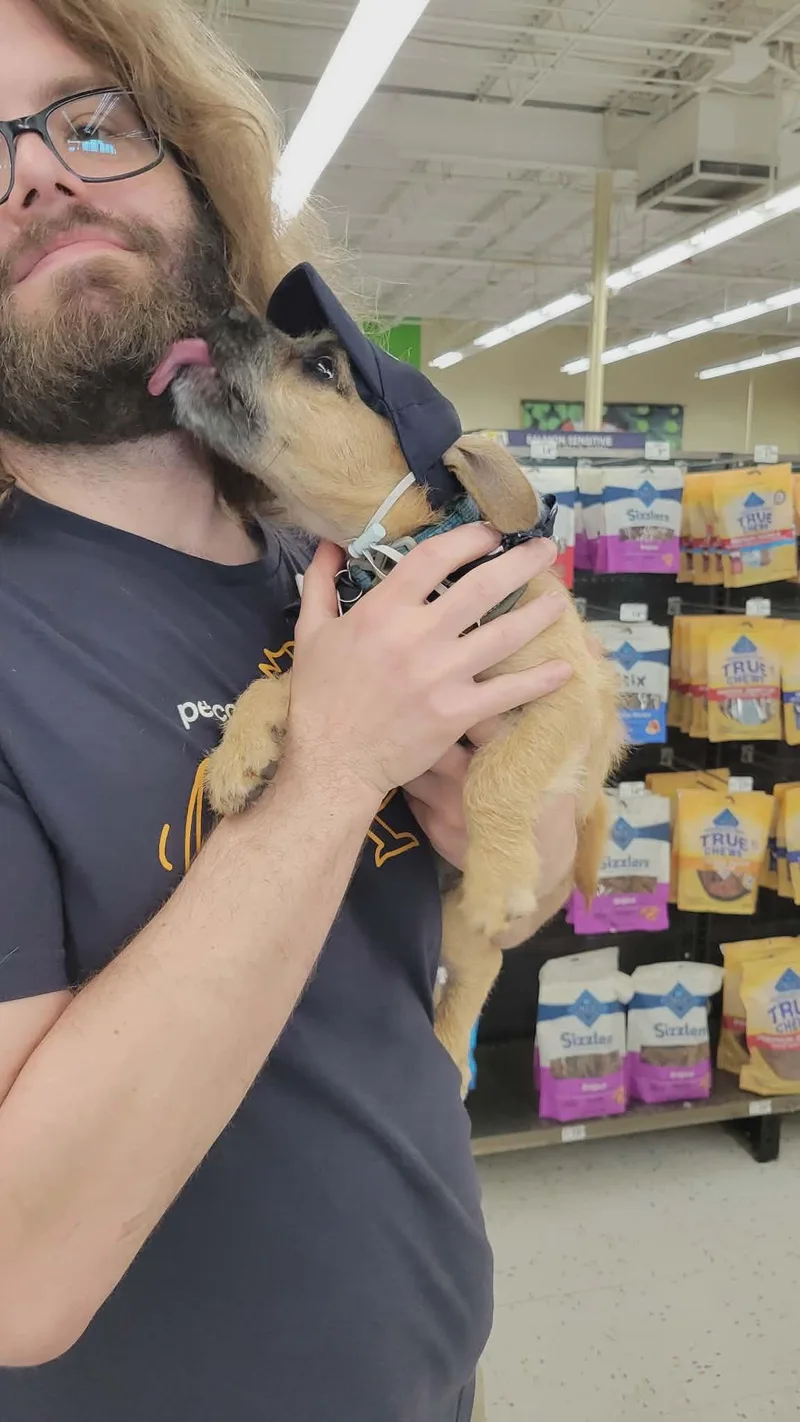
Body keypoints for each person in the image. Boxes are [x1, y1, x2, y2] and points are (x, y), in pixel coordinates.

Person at [0, 2, 580, 1419]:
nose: (39, 175)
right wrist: (333, 768)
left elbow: (514, 891)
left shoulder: (337, 578)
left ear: (194, 169)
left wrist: (514, 821)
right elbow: (19, 1269)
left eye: (92, 121)